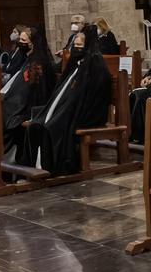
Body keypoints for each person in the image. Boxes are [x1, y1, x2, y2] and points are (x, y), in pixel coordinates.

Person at [20, 25, 112, 175]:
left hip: (88, 112)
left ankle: (52, 165)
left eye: (80, 46)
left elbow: (93, 96)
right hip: (71, 107)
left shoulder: (95, 66)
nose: (76, 49)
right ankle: (36, 165)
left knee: (53, 125)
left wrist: (69, 109)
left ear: (88, 46)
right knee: (37, 123)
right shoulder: (76, 64)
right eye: (74, 46)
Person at [0, 26, 57, 158]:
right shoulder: (29, 59)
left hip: (34, 107)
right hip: (23, 102)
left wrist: (12, 100)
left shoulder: (38, 63)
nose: (20, 42)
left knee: (4, 113)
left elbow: (37, 92)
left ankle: (4, 157)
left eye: (23, 40)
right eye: (20, 39)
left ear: (33, 43)